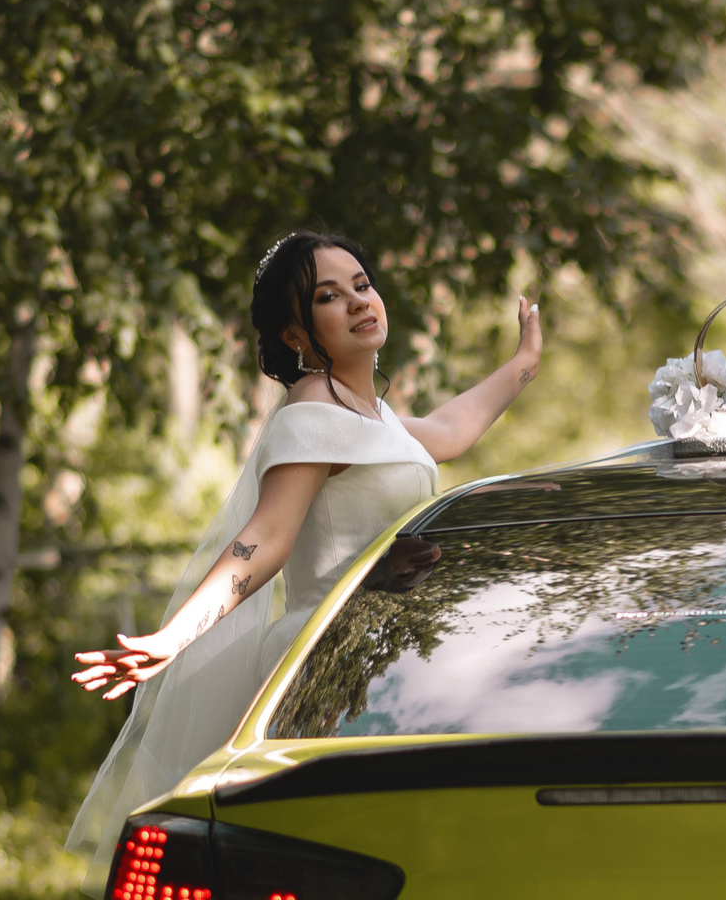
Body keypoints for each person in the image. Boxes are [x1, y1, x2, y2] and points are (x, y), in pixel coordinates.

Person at [64, 230, 544, 864]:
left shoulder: (372, 415)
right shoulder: (312, 411)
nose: (356, 302)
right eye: (328, 296)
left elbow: (451, 431)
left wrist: (526, 359)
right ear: (295, 336)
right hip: (330, 660)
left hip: (387, 652)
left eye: (362, 285)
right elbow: (265, 538)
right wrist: (171, 640)